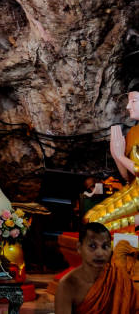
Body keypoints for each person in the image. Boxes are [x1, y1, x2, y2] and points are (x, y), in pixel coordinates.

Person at [84, 84, 139, 230]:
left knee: (98, 224)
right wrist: (116, 154)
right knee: (90, 218)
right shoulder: (133, 132)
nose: (128, 106)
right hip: (132, 190)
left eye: (133, 101)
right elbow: (128, 178)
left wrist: (121, 156)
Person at [55, 222, 138, 314]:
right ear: (79, 248)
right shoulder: (68, 285)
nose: (100, 253)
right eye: (92, 246)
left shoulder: (120, 278)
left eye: (105, 246)